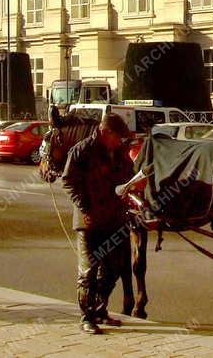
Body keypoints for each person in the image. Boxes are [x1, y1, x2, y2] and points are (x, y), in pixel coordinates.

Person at [62, 112, 134, 335]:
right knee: (89, 272)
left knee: (113, 269)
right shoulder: (82, 151)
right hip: (90, 221)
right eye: (117, 137)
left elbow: (127, 176)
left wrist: (132, 185)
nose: (120, 141)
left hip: (115, 218)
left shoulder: (119, 152)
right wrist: (85, 208)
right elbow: (68, 181)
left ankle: (101, 309)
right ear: (105, 132)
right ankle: (87, 317)